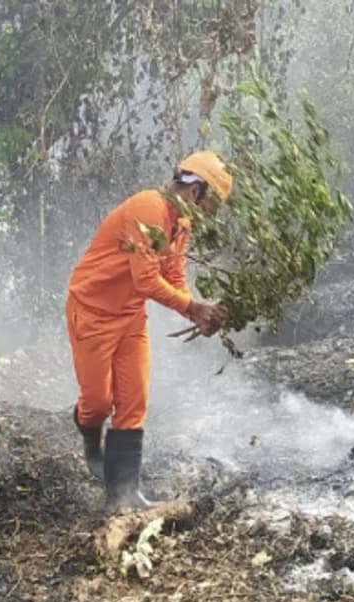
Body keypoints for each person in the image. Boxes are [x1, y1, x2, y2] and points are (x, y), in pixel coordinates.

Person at [67, 152, 231, 512]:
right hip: (92, 311)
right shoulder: (147, 208)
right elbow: (145, 279)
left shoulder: (181, 225)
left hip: (129, 316)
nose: (211, 214)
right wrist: (192, 308)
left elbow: (173, 277)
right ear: (195, 190)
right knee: (98, 403)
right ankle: (88, 433)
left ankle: (123, 496)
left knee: (134, 400)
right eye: (211, 204)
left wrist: (199, 313)